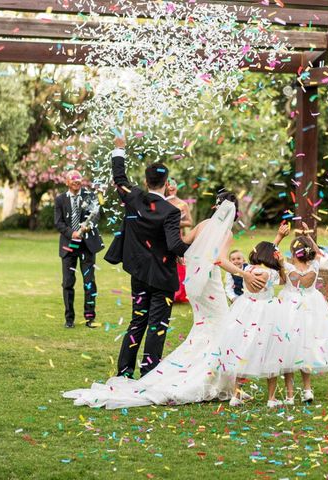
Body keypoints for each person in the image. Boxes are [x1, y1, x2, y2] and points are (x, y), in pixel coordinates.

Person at [64, 193, 268, 408]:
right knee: (221, 329)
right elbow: (220, 259)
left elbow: (180, 245)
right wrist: (243, 273)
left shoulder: (203, 225)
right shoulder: (226, 233)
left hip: (195, 286)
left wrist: (183, 255)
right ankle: (215, 382)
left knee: (204, 329)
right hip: (210, 286)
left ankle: (224, 383)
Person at [108, 137, 192, 378]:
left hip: (139, 274)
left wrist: (120, 149)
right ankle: (149, 372)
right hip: (163, 277)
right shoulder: (171, 211)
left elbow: (119, 178)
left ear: (146, 181)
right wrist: (195, 246)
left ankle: (124, 371)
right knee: (157, 326)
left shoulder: (134, 199)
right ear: (166, 184)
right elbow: (175, 244)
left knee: (137, 321)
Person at [273, 222, 328, 404]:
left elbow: (269, 253)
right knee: (306, 346)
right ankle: (307, 390)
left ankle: (290, 395)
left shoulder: (285, 265)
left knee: (288, 347)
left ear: (293, 253)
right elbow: (318, 252)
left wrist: (279, 236)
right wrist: (307, 235)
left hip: (289, 308)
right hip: (311, 308)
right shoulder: (315, 265)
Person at [219, 229, 291, 408]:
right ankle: (271, 399)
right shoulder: (272, 273)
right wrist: (281, 264)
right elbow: (283, 281)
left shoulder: (247, 269)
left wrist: (278, 238)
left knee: (242, 348)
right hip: (267, 312)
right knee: (271, 351)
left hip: (246, 309)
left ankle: (236, 395)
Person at [54, 170, 103, 329]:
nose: (76, 182)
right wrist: (72, 233)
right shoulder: (60, 199)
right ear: (67, 182)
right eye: (72, 179)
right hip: (69, 245)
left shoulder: (90, 196)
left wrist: (87, 226)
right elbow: (58, 222)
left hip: (86, 246)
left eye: (78, 179)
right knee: (68, 283)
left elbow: (96, 216)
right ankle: (69, 319)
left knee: (89, 282)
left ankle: (90, 317)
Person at [165, 178, 193, 304]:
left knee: (178, 264)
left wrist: (176, 223)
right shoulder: (161, 202)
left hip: (176, 236)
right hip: (161, 236)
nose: (171, 187)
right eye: (169, 184)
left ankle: (179, 293)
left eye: (174, 185)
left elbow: (189, 222)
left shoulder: (182, 204)